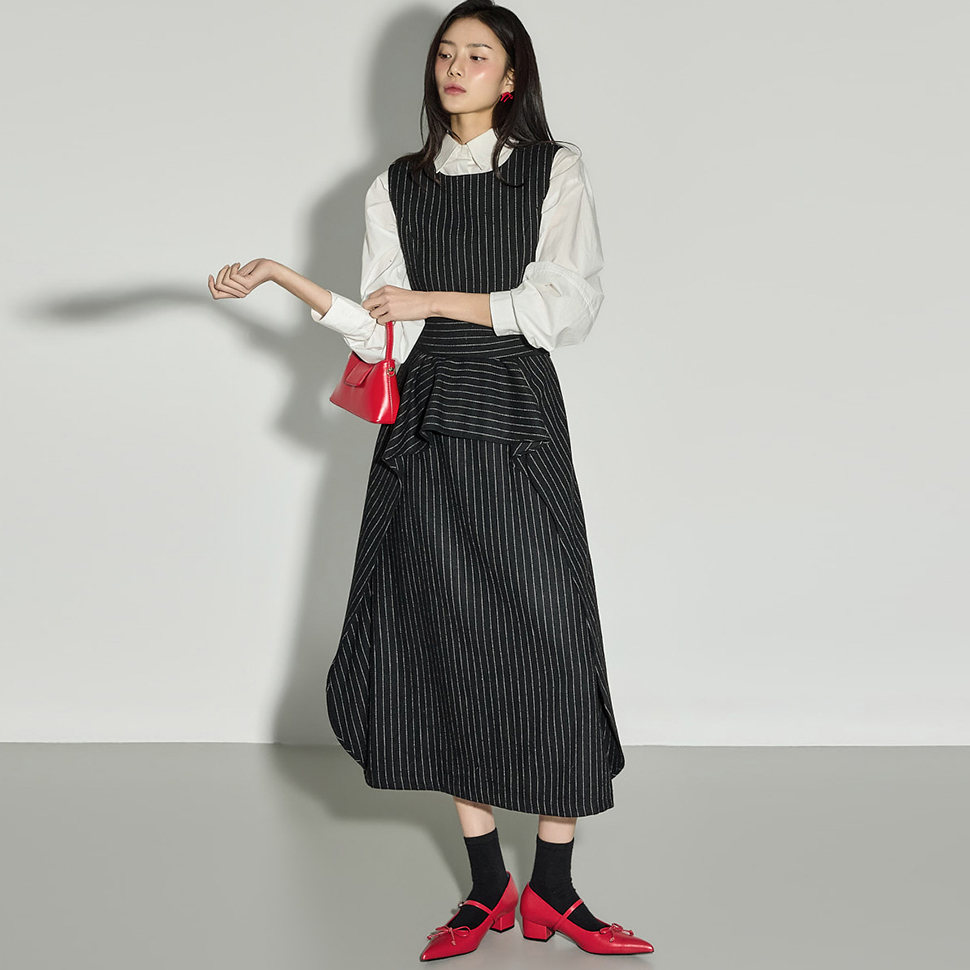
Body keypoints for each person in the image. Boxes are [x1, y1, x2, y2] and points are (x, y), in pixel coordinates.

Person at [208, 0, 653, 959]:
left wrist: (431, 298)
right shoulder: (395, 187)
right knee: (445, 639)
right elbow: (386, 333)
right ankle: (490, 885)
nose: (456, 67)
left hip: (517, 418)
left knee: (554, 638)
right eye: (446, 52)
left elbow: (564, 306)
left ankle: (556, 889)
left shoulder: (553, 168)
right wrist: (284, 277)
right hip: (425, 430)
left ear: (511, 77)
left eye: (478, 54)